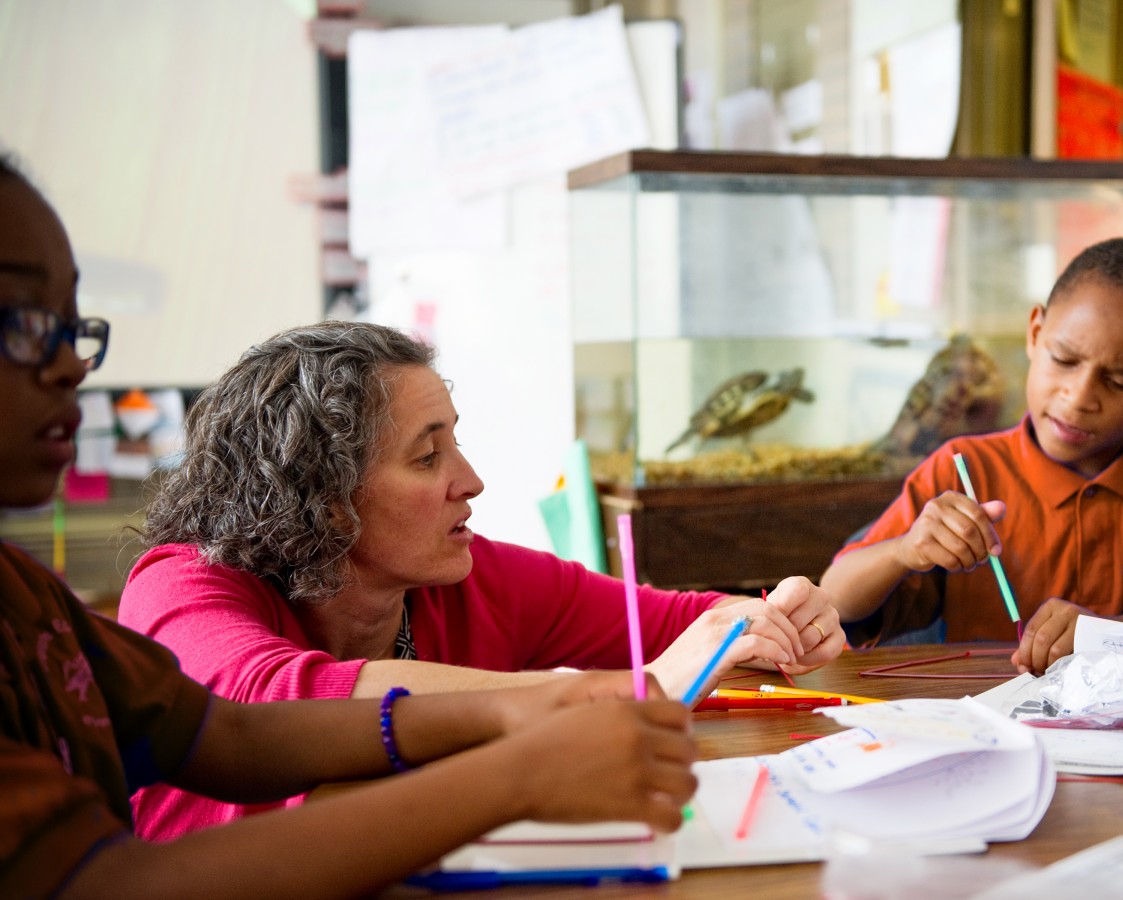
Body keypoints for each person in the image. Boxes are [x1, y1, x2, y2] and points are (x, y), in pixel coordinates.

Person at [0, 153, 698, 898]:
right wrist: (518, 767)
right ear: (325, 495)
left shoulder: (25, 598)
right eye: (24, 322)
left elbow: (222, 736)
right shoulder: (188, 580)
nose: (71, 365)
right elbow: (241, 717)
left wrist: (527, 704)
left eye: (72, 328)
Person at [116, 321, 844, 839]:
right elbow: (272, 705)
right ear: (323, 494)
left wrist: (764, 617)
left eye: (455, 442)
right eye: (428, 457)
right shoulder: (183, 584)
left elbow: (670, 622)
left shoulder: (465, 575)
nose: (472, 481)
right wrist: (623, 692)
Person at [821, 237, 1123, 676]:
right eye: (1065, 359)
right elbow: (834, 601)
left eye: (1120, 381)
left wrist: (1108, 634)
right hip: (990, 724)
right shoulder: (963, 468)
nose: (1078, 398)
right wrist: (904, 550)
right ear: (1035, 334)